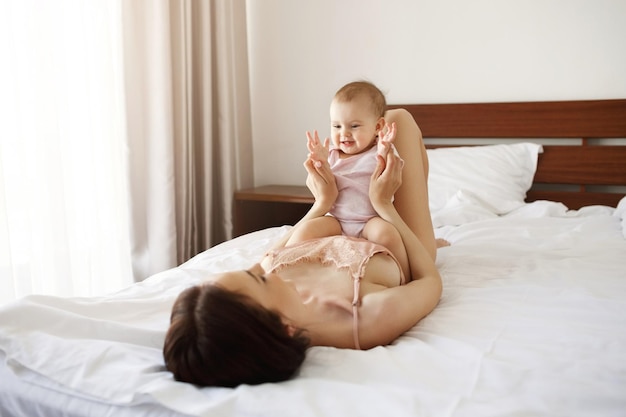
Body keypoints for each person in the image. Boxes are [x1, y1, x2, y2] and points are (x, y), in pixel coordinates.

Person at [163, 108, 442, 388]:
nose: (268, 271)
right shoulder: (367, 318)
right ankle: (429, 234)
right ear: (286, 327)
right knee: (398, 120)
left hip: (337, 220)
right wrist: (384, 205)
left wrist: (321, 203)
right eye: (260, 279)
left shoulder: (241, 302)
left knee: (360, 131)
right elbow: (430, 280)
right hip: (393, 235)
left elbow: (267, 259)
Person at [290, 81, 411, 279]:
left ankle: (404, 277)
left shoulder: (377, 152)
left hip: (370, 221)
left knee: (388, 235)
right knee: (306, 231)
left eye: (354, 126)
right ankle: (291, 269)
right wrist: (320, 160)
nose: (344, 133)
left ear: (378, 127)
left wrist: (386, 146)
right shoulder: (333, 154)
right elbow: (324, 181)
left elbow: (391, 165)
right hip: (337, 221)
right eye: (336, 126)